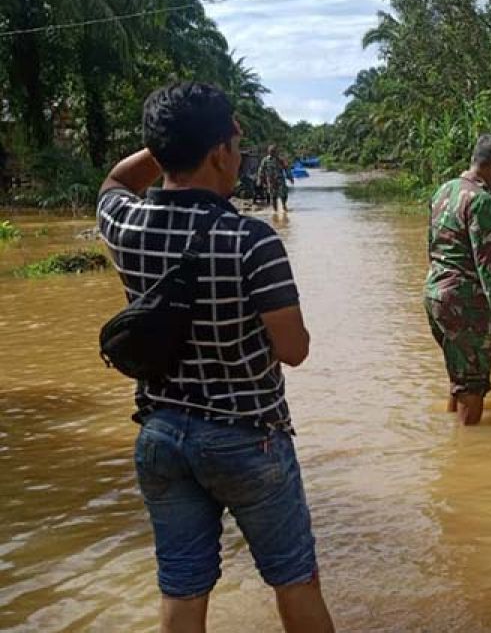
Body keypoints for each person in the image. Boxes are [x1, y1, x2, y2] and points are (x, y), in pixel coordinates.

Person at [95, 82, 334, 633]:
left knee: (182, 589)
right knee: (296, 581)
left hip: (160, 437)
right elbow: (294, 351)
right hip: (249, 437)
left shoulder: (126, 226)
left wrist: (166, 143)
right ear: (219, 154)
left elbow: (113, 182)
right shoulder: (252, 241)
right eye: (234, 141)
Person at [425, 134, 491, 425]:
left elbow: (433, 246)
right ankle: (466, 453)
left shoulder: (444, 191)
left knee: (459, 372)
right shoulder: (481, 201)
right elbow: (490, 266)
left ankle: (454, 439)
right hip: (464, 301)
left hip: (435, 294)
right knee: (473, 383)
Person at [258, 144, 295, 213]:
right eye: (271, 151)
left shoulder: (280, 160)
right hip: (271, 181)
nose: (273, 152)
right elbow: (261, 170)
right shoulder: (265, 160)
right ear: (269, 152)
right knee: (273, 196)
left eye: (274, 151)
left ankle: (284, 206)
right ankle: (275, 210)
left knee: (284, 194)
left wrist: (290, 178)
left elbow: (286, 169)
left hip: (280, 180)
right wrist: (260, 180)